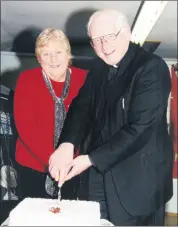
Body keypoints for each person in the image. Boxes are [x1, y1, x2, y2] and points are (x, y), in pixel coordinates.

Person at [49, 9, 174, 226]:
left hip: (138, 180)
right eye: (97, 40)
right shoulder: (97, 69)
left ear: (126, 33)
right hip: (97, 174)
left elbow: (141, 129)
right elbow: (81, 107)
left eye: (109, 37)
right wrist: (67, 145)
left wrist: (89, 159)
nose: (104, 46)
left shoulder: (151, 67)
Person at [14, 28, 87, 200]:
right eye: (46, 54)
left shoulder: (85, 79)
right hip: (33, 165)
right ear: (39, 59)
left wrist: (69, 162)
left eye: (58, 52)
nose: (53, 59)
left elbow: (87, 121)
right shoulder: (27, 79)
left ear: (68, 54)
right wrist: (54, 162)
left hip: (72, 165)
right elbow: (26, 128)